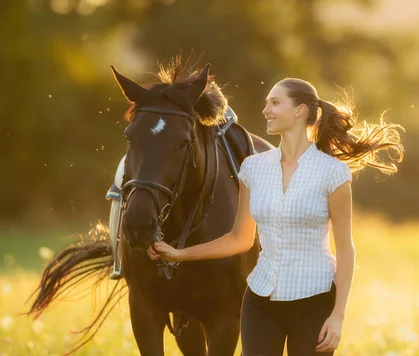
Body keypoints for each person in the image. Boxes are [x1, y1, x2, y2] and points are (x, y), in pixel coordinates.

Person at [149, 78, 404, 355]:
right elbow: (239, 239)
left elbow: (345, 249)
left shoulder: (333, 173)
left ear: (300, 110)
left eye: (275, 103)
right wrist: (178, 254)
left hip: (314, 301)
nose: (265, 110)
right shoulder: (253, 168)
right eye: (266, 103)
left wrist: (337, 316)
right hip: (260, 302)